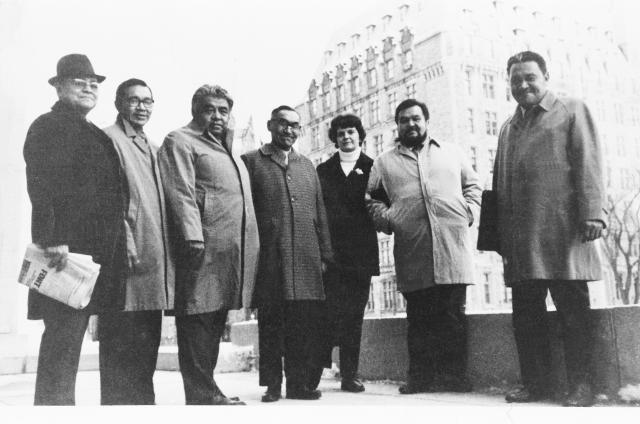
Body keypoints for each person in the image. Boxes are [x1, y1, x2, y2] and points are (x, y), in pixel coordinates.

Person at [493, 51, 605, 407]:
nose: (522, 85)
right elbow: (499, 183)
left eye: (529, 77)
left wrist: (593, 213)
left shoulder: (571, 110)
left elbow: (589, 162)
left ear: (545, 77)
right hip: (522, 240)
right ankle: (535, 384)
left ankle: (581, 386)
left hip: (564, 232)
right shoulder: (508, 128)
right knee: (526, 317)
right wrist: (498, 236)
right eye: (515, 79)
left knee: (573, 313)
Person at [23, 54, 127, 405]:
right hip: (67, 255)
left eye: (94, 83)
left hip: (98, 255)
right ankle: (53, 409)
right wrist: (51, 238)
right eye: (79, 82)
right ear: (58, 86)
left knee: (79, 335)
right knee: (63, 339)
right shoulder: (47, 125)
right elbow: (40, 185)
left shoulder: (92, 132)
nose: (89, 88)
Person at [366, 99, 481, 394]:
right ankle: (421, 377)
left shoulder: (452, 152)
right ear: (398, 125)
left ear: (427, 121)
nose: (411, 124)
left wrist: (467, 212)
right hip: (413, 251)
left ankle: (455, 376)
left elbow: (473, 187)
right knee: (419, 319)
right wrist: (389, 219)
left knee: (453, 316)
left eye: (416, 118)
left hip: (452, 248)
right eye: (404, 120)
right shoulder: (384, 162)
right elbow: (373, 199)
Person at [158, 85, 259, 405]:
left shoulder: (225, 147)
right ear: (195, 110)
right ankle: (201, 395)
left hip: (227, 252)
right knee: (198, 320)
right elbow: (180, 192)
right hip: (201, 249)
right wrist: (192, 237)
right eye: (209, 109)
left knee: (214, 320)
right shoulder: (181, 141)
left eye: (223, 110)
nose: (217, 116)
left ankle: (208, 390)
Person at [241, 105, 333, 402]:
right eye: (283, 124)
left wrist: (325, 254)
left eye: (295, 126)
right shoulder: (252, 162)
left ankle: (299, 384)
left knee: (303, 325)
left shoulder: (306, 165)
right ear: (270, 125)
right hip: (271, 256)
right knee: (271, 323)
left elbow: (319, 211)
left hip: (306, 257)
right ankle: (272, 385)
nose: (289, 130)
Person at [98, 78, 174, 405]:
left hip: (154, 259)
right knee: (120, 342)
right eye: (134, 100)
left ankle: (144, 406)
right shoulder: (107, 139)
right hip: (126, 257)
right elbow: (107, 197)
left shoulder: (154, 147)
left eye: (147, 101)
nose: (141, 107)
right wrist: (123, 236)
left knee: (146, 343)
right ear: (119, 103)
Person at [315, 114, 379, 392]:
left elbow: (382, 205)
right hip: (331, 255)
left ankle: (349, 375)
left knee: (354, 315)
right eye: (341, 133)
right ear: (335, 138)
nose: (346, 137)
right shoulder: (324, 170)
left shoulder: (373, 167)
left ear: (360, 135)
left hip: (361, 257)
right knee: (326, 313)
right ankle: (314, 371)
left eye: (351, 132)